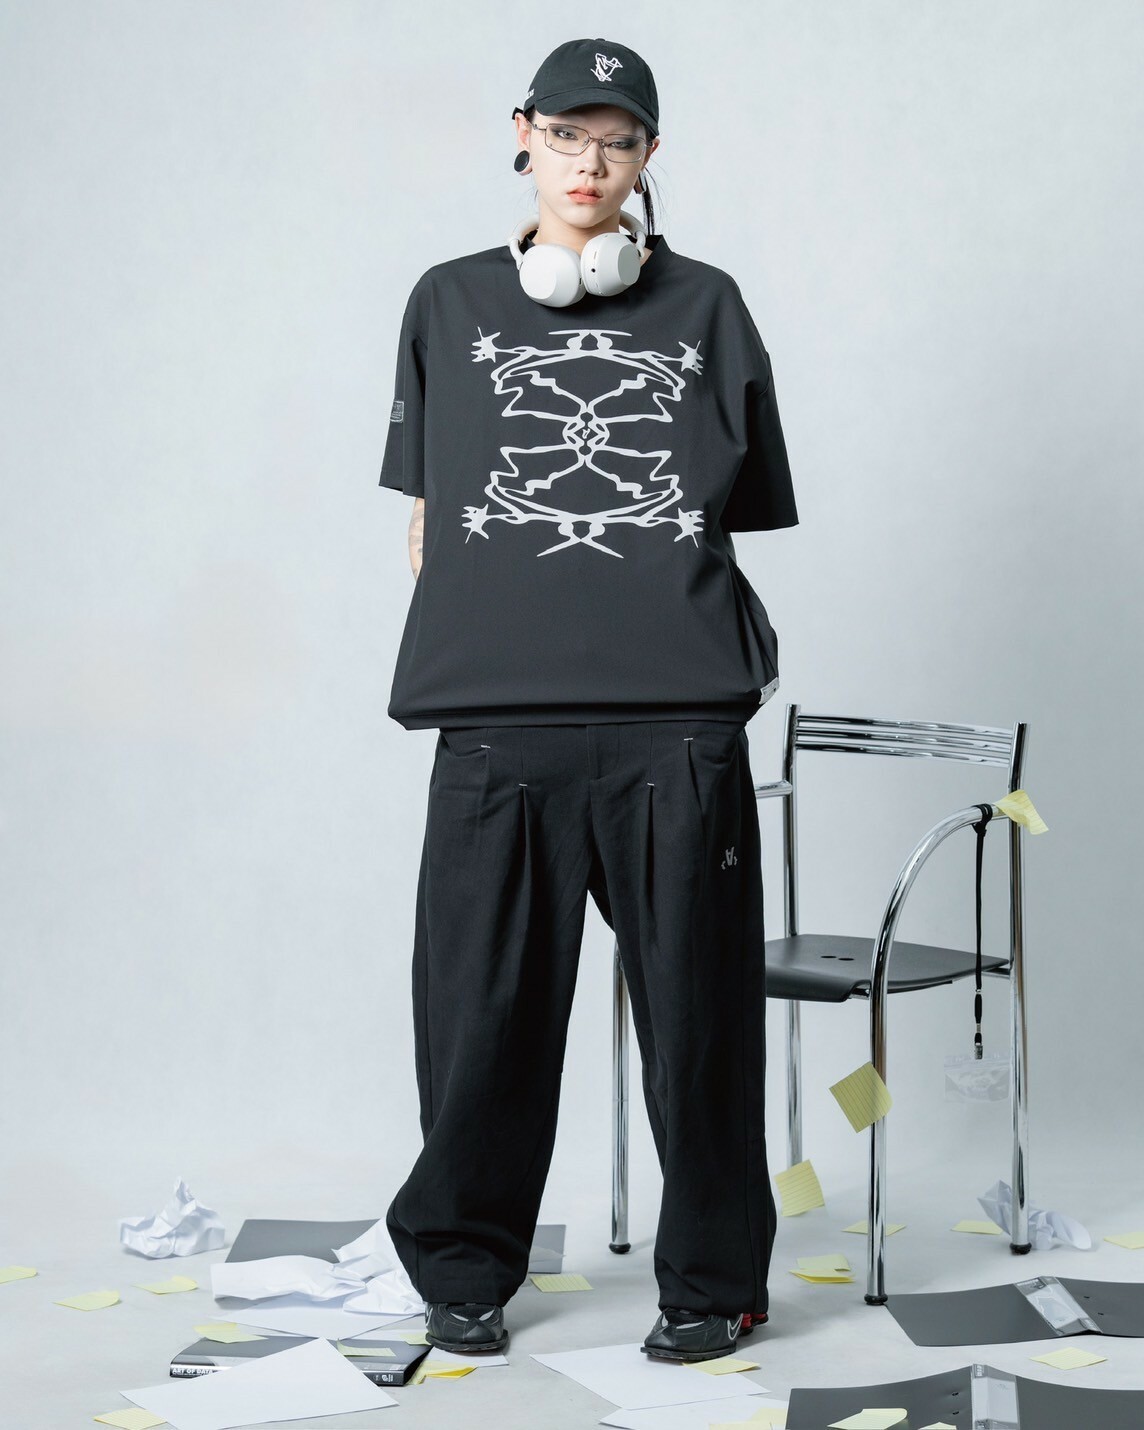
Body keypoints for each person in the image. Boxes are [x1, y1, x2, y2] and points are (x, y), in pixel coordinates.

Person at [377, 36, 798, 1364]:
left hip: (678, 732)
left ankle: (713, 1283)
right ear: (523, 135)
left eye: (617, 142)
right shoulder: (445, 302)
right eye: (567, 136)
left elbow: (732, 512)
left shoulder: (710, 306)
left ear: (649, 158)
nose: (589, 164)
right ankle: (462, 1270)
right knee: (479, 1024)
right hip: (495, 729)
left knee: (700, 1023)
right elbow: (427, 516)